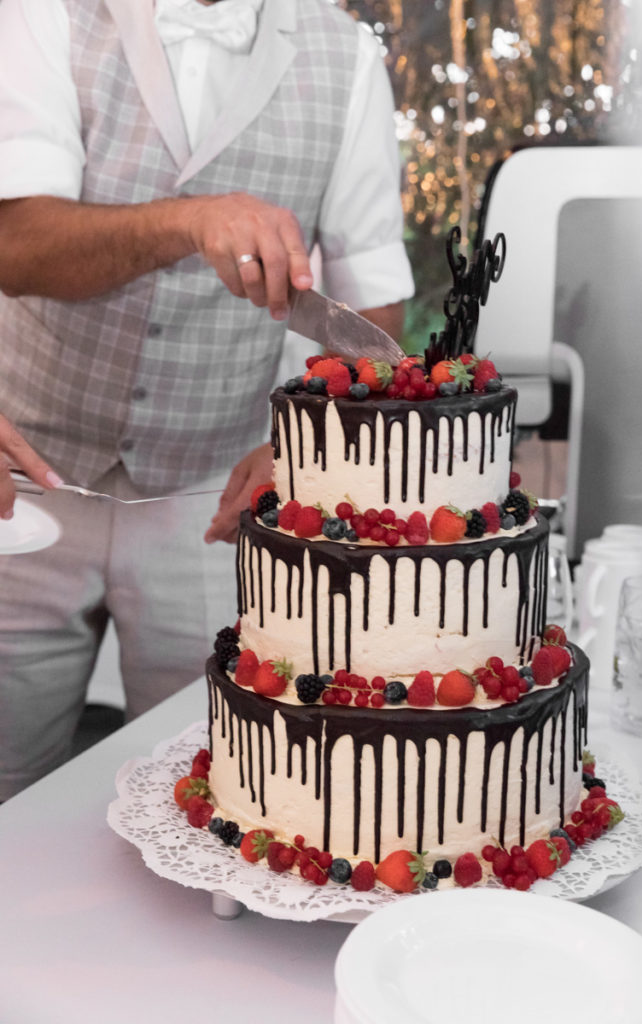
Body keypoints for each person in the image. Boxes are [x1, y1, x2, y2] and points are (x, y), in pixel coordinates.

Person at [0, 0, 414, 800]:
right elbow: (16, 245)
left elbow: (373, 320)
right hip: (22, 482)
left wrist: (304, 447)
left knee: (214, 780)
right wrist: (192, 220)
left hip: (210, 507)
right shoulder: (48, 13)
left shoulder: (346, 56)